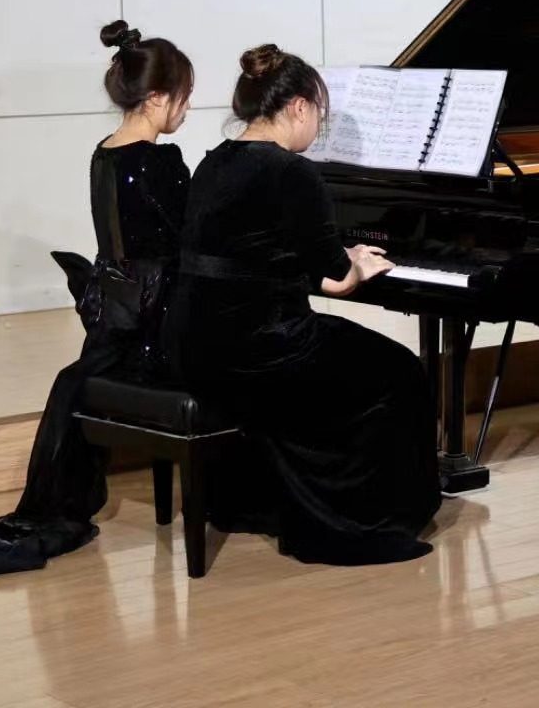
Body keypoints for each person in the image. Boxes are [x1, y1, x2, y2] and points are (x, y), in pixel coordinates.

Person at [0, 21, 194, 586]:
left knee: (73, 381)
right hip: (155, 328)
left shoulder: (103, 154)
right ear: (158, 98)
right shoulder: (162, 163)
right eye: (184, 97)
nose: (187, 109)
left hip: (114, 320)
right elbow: (188, 247)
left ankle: (46, 508)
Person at [162, 45, 439, 566]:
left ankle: (264, 502)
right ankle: (361, 520)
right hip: (263, 351)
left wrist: (333, 258)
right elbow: (335, 281)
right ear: (297, 107)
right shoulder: (292, 172)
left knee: (357, 359)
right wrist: (358, 263)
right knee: (401, 372)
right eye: (320, 114)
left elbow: (258, 255)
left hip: (195, 346)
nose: (318, 126)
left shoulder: (213, 163)